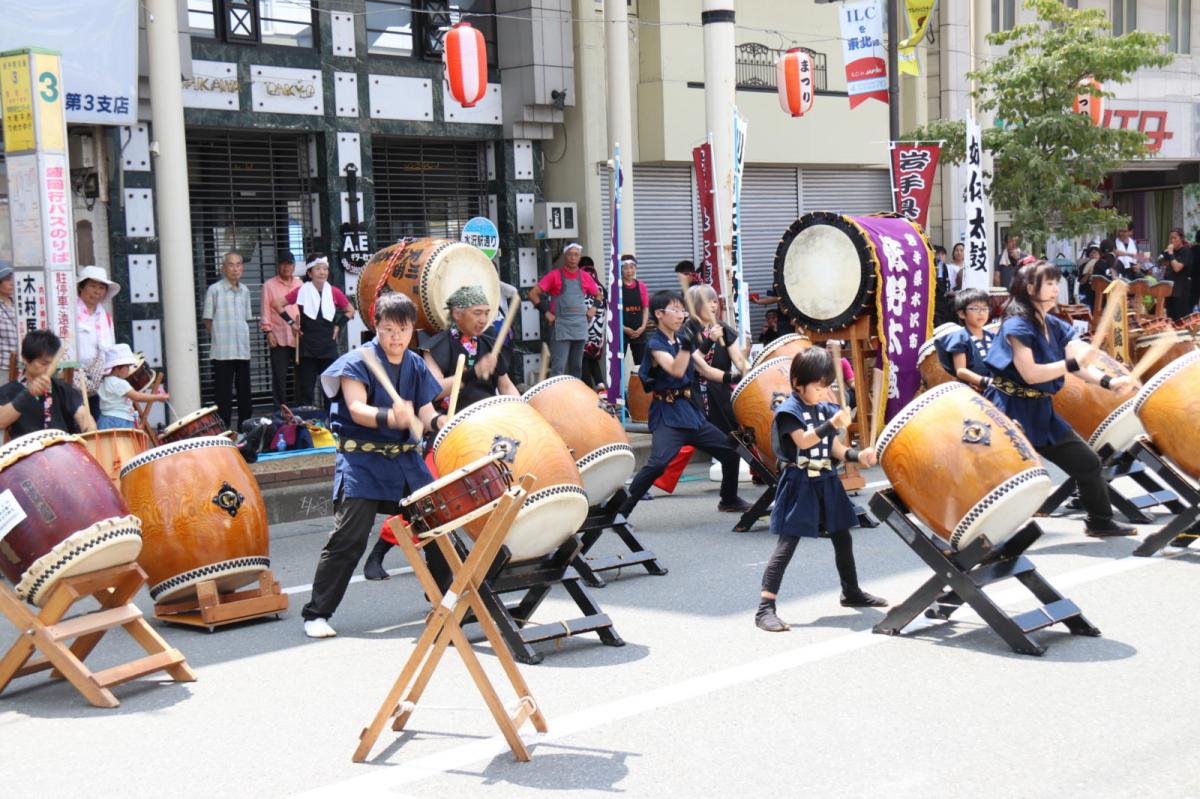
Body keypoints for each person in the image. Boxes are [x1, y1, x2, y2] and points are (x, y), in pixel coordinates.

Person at [301, 293, 450, 639]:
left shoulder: (414, 363)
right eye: (387, 329)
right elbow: (356, 409)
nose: (395, 337)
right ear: (376, 327)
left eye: (402, 329)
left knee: (438, 526)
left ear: (412, 329)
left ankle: (448, 600)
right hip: (362, 460)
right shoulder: (359, 361)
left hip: (406, 462)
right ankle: (317, 613)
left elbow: (425, 414)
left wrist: (439, 422)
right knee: (349, 537)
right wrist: (391, 415)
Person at [359, 285, 521, 581]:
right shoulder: (438, 346)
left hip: (486, 428)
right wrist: (472, 372)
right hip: (447, 428)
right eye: (476, 313)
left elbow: (506, 385)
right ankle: (380, 550)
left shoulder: (488, 343)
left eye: (486, 312)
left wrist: (521, 410)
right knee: (427, 499)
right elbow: (433, 389)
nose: (483, 318)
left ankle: (508, 548)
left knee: (511, 481)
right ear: (457, 314)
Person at [983, 261, 1138, 538]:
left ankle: (1099, 521)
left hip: (1041, 409)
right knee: (998, 477)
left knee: (1088, 463)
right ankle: (982, 535)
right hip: (1008, 409)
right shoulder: (1017, 325)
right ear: (1030, 288)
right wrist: (1071, 362)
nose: (1056, 289)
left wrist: (1109, 381)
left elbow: (1077, 358)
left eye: (1057, 283)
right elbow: (1030, 373)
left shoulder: (1053, 324)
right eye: (1049, 283)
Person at [755, 347, 886, 633]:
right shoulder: (788, 410)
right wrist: (832, 424)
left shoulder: (826, 409)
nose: (823, 391)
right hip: (799, 482)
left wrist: (858, 456)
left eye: (826, 386)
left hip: (826, 479)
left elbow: (835, 449)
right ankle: (765, 608)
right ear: (798, 383)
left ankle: (851, 591)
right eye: (818, 386)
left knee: (842, 536)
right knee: (787, 544)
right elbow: (803, 442)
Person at [616, 290, 751, 521]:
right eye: (676, 310)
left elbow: (706, 370)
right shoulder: (655, 344)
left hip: (689, 412)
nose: (681, 315)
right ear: (659, 314)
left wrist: (738, 378)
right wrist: (693, 345)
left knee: (730, 452)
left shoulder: (680, 340)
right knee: (658, 464)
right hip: (667, 414)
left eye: (682, 310)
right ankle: (620, 512)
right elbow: (676, 370)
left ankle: (728, 499)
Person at [275, 255, 355, 407]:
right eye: (318, 269)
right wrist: (291, 322)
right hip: (307, 348)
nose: (322, 272)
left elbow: (350, 310)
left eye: (325, 269)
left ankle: (331, 425)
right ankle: (306, 426)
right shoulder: (301, 291)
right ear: (310, 273)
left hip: (328, 346)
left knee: (331, 391)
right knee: (306, 391)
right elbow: (277, 304)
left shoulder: (334, 292)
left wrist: (338, 325)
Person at [0, 329, 95, 436]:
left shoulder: (62, 388)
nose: (49, 368)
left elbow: (83, 417)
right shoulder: (8, 391)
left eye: (52, 363)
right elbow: (1, 421)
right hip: (28, 451)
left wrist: (89, 431)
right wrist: (28, 394)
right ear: (26, 359)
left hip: (63, 449)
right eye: (43, 363)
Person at [527, 243, 601, 378]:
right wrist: (546, 313)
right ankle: (557, 398)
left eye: (576, 255)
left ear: (579, 258)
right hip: (561, 326)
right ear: (564, 256)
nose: (573, 258)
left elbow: (599, 295)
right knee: (558, 367)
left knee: (577, 367)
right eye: (570, 254)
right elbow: (533, 294)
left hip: (580, 326)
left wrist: (593, 308)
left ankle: (574, 398)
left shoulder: (585, 276)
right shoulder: (554, 275)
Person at [684, 283, 750, 435]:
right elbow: (699, 366)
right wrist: (711, 339)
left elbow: (739, 360)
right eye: (708, 302)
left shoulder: (722, 327)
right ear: (696, 305)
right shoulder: (687, 330)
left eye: (714, 301)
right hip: (698, 388)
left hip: (723, 385)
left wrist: (749, 373)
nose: (713, 305)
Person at [203, 252, 254, 430]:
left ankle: (245, 428)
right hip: (222, 351)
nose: (235, 268)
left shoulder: (246, 291)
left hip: (242, 350)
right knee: (223, 394)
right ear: (224, 268)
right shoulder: (214, 290)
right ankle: (223, 429)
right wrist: (219, 337)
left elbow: (246, 318)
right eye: (231, 265)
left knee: (244, 392)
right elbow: (207, 320)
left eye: (238, 264)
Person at [76, 265, 119, 420]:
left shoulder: (105, 317)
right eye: (92, 286)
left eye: (101, 287)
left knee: (95, 419)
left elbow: (111, 348)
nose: (97, 291)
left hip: (98, 380)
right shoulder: (68, 313)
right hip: (73, 378)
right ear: (81, 287)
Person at [261, 251, 303, 409]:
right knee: (280, 377)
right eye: (284, 263)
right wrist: (268, 332)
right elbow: (265, 309)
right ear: (278, 265)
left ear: (294, 266)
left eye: (290, 264)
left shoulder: (300, 284)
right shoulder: (269, 285)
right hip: (278, 337)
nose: (287, 267)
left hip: (298, 337)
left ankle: (298, 411)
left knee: (300, 377)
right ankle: (280, 411)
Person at [97, 343, 169, 430]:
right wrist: (158, 397)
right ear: (118, 368)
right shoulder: (118, 383)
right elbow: (137, 397)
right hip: (119, 421)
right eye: (127, 366)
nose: (129, 369)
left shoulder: (105, 381)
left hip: (106, 420)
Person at [941, 288, 994, 392]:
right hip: (970, 391)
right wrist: (984, 381)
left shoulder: (992, 337)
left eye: (985, 308)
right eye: (975, 309)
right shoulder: (960, 337)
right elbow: (961, 370)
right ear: (962, 314)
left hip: (994, 389)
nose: (981, 313)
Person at [580, 257, 608, 391]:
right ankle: (601, 386)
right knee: (593, 360)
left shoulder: (581, 282)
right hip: (598, 334)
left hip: (583, 331)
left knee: (583, 359)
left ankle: (588, 390)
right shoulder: (601, 287)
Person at [620, 255, 650, 366]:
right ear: (621, 269)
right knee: (618, 364)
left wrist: (643, 327)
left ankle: (639, 384)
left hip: (639, 330)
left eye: (632, 267)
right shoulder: (616, 287)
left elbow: (646, 307)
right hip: (622, 331)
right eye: (626, 268)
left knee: (641, 364)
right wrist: (622, 328)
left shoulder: (641, 286)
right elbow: (612, 311)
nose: (629, 271)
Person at [1162, 228, 1194, 321]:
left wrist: (1171, 254)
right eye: (1170, 238)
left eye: (1174, 238)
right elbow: (1162, 262)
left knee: (1180, 318)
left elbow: (1177, 268)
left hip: (1181, 289)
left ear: (1181, 239)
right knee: (1170, 317)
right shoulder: (1171, 252)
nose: (1172, 240)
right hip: (1170, 289)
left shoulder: (1186, 251)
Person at [0, 263, 17, 376]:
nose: (11, 283)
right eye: (7, 279)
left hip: (20, 368)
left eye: (12, 278)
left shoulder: (18, 304)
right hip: (3, 368)